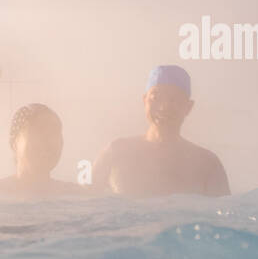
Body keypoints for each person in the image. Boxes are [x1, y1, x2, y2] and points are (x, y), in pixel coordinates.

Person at [92, 65, 229, 196]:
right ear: (144, 100)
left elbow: (224, 214)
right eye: (156, 97)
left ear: (189, 107)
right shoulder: (117, 151)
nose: (164, 107)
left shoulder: (207, 164)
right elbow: (87, 196)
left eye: (174, 99)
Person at [0, 103, 85, 199]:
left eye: (54, 133)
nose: (49, 142)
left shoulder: (72, 194)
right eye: (40, 132)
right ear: (14, 143)